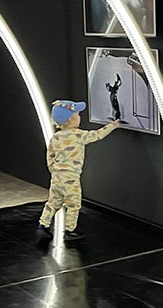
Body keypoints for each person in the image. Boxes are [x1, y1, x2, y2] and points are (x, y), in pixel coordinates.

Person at [35, 100, 118, 245]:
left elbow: (50, 156)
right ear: (71, 119)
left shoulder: (55, 137)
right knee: (73, 204)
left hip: (56, 177)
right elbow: (97, 135)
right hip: (71, 178)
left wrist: (54, 170)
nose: (80, 117)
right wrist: (113, 125)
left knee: (53, 203)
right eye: (78, 114)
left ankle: (43, 226)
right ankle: (69, 231)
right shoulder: (78, 135)